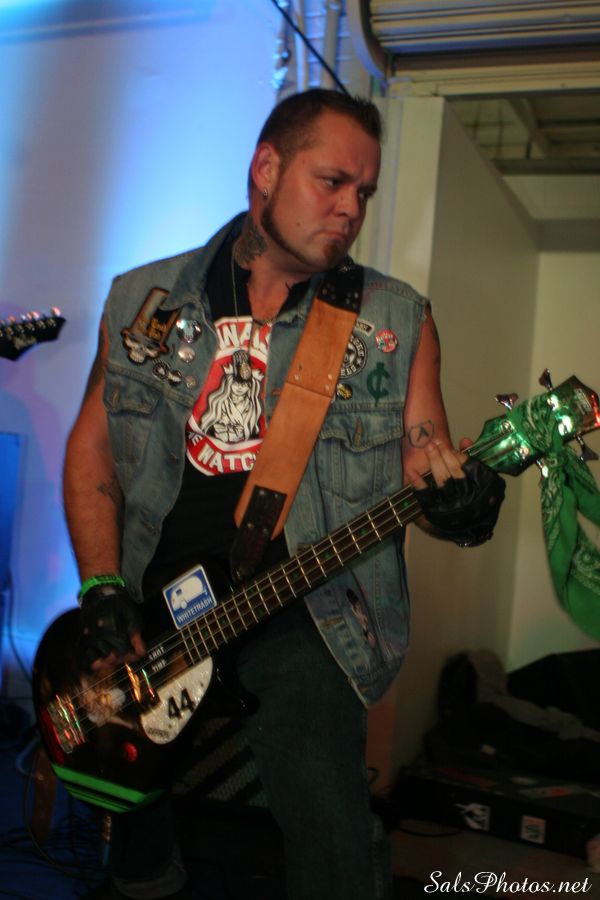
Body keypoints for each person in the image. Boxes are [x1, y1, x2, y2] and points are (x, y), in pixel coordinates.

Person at [63, 88, 505, 900]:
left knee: (327, 815)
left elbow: (427, 459)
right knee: (129, 814)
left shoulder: (393, 321)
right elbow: (92, 446)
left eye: (364, 192)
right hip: (157, 599)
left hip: (307, 606)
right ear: (266, 168)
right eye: (332, 182)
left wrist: (464, 502)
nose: (351, 210)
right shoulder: (142, 300)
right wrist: (100, 585)